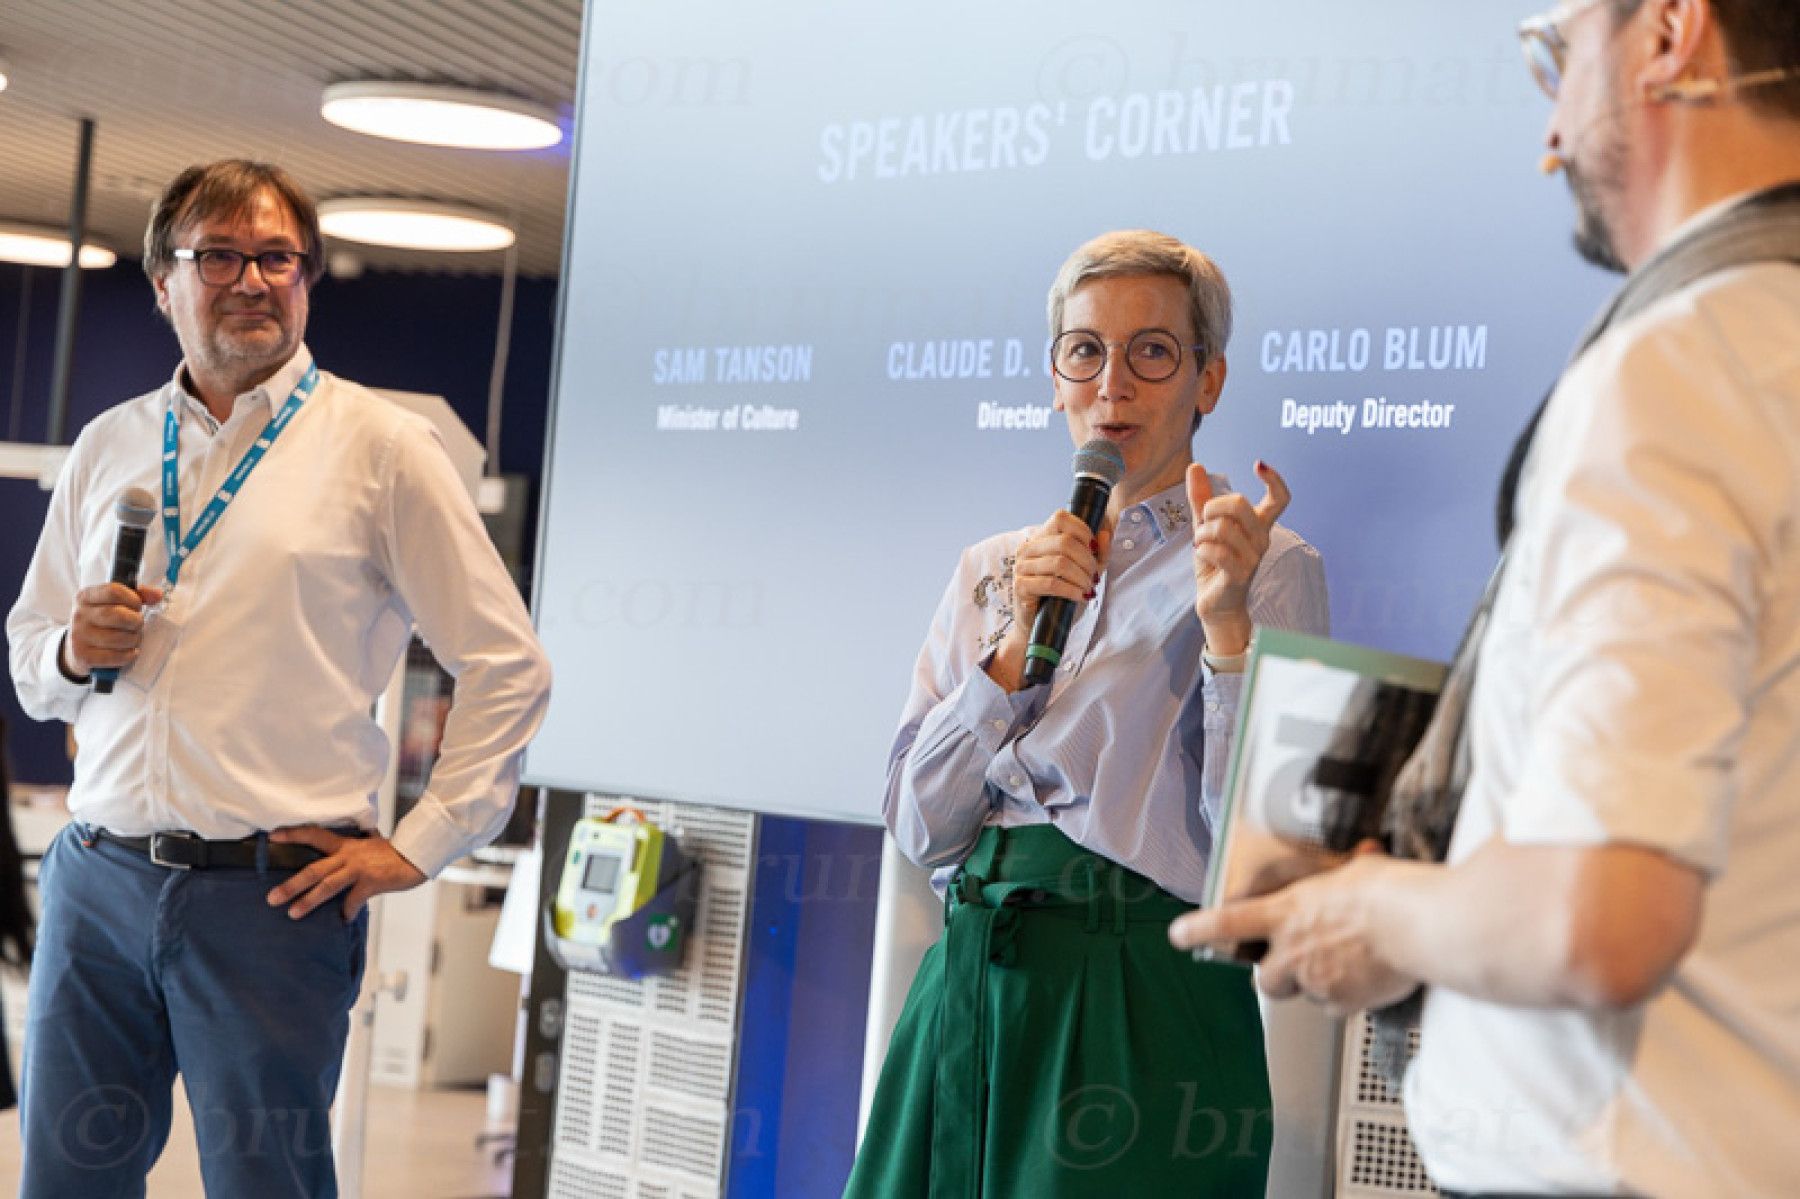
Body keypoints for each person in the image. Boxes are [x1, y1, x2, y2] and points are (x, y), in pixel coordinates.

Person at [1171, 2, 1800, 1196]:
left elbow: (1596, 916)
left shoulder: (1676, 367)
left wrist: (1373, 910)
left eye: (1560, 56)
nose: (1550, 136)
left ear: (1670, 35)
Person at [5, 160, 552, 1197]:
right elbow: (32, 655)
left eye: (278, 258)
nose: (252, 279)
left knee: (268, 1183)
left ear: (306, 279)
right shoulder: (108, 443)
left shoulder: (385, 449)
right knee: (66, 1180)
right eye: (219, 256)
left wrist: (421, 843)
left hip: (269, 897)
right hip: (98, 880)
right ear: (164, 281)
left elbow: (507, 662)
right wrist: (73, 650)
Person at [846, 230, 1329, 1196]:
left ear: (1208, 381)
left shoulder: (1267, 565)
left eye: (1152, 352)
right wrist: (1013, 648)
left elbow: (1266, 854)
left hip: (1136, 999)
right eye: (1085, 351)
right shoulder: (994, 567)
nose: (1113, 385)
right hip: (970, 984)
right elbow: (919, 823)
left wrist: (1227, 631)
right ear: (1055, 377)